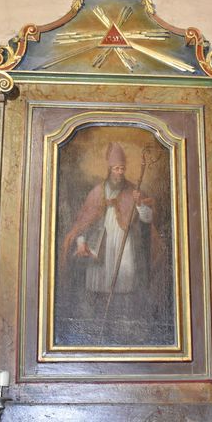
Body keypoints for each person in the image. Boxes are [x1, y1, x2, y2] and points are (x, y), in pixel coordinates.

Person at [58, 142, 167, 345]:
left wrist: (139, 204)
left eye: (122, 169)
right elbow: (83, 222)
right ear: (109, 169)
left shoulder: (133, 191)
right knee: (98, 287)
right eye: (116, 169)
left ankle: (122, 331)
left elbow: (147, 219)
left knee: (124, 289)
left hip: (124, 248)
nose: (119, 172)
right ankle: (97, 328)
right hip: (99, 247)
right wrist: (81, 242)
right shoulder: (97, 192)